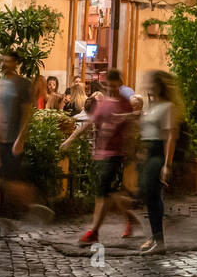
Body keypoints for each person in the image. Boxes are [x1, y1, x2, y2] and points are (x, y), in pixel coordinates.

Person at [62, 69, 141, 244]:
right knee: (109, 192)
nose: (112, 90)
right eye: (109, 86)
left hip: (115, 154)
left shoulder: (125, 104)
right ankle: (130, 218)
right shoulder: (104, 103)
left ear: (120, 85)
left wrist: (131, 152)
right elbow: (90, 123)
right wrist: (70, 140)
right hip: (101, 153)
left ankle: (94, 231)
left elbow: (131, 128)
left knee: (103, 193)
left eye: (115, 86)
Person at [0, 51, 33, 239]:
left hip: (12, 140)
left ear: (16, 63)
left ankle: (32, 207)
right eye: (3, 61)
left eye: (9, 62)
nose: (5, 65)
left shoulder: (23, 84)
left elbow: (27, 114)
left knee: (10, 184)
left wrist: (21, 137)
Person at [137, 70, 181, 255]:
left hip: (157, 153)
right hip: (147, 151)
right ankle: (156, 236)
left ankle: (159, 239)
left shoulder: (168, 107)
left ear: (159, 86)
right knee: (149, 194)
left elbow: (170, 135)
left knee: (151, 194)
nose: (148, 86)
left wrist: (167, 164)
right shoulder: (154, 105)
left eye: (152, 83)